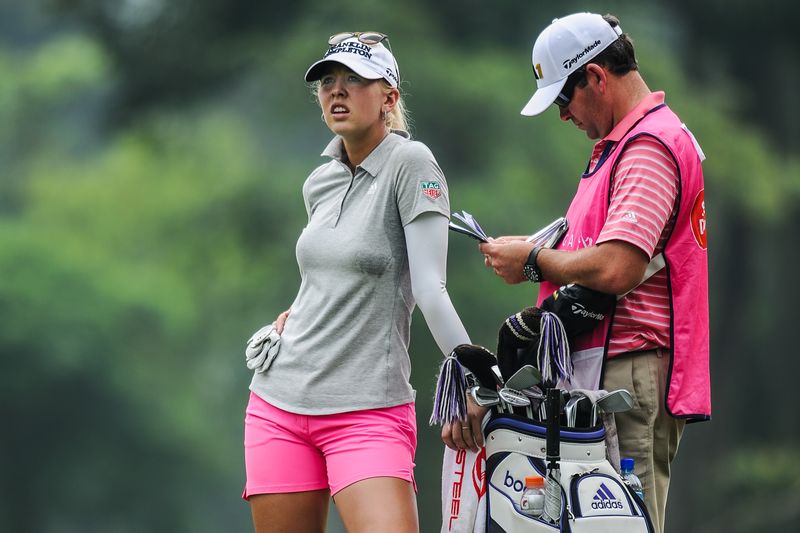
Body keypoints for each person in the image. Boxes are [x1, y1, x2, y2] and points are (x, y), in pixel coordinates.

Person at [242, 32, 483, 533]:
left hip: (367, 411)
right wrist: (293, 314)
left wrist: (478, 381)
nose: (337, 91)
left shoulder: (411, 163)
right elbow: (326, 275)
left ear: (390, 97)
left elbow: (430, 289)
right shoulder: (320, 180)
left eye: (355, 80)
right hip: (279, 402)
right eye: (328, 82)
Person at [479, 13, 710, 533]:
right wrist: (537, 247)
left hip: (628, 369)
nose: (563, 116)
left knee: (624, 524)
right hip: (605, 367)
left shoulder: (648, 146)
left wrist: (533, 262)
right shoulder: (621, 147)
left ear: (597, 77)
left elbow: (616, 264)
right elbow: (595, 247)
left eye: (564, 99)